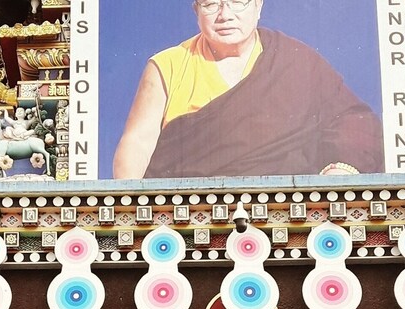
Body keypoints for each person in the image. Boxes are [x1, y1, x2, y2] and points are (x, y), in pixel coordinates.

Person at [113, 0, 384, 179]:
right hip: (187, 213)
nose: (225, 15)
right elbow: (137, 142)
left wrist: (342, 168)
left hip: (284, 213)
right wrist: (132, 210)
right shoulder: (167, 64)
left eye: (237, 2)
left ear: (258, 6)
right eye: (211, 4)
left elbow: (352, 120)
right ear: (196, 10)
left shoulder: (294, 60)